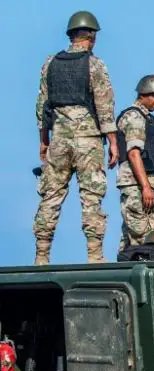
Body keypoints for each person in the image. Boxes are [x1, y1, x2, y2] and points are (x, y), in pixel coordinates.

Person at [33, 10, 119, 265]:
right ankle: (95, 256)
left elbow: (42, 106)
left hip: (59, 139)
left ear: (71, 35)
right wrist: (113, 142)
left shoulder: (50, 63)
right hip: (88, 141)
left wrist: (44, 140)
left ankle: (41, 256)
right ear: (91, 36)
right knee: (91, 198)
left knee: (50, 196)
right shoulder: (95, 65)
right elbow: (104, 106)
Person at [116, 75, 154, 252]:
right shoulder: (134, 117)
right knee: (144, 238)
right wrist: (145, 187)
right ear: (142, 94)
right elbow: (134, 154)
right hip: (136, 185)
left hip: (143, 187)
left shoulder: (150, 120)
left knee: (132, 238)